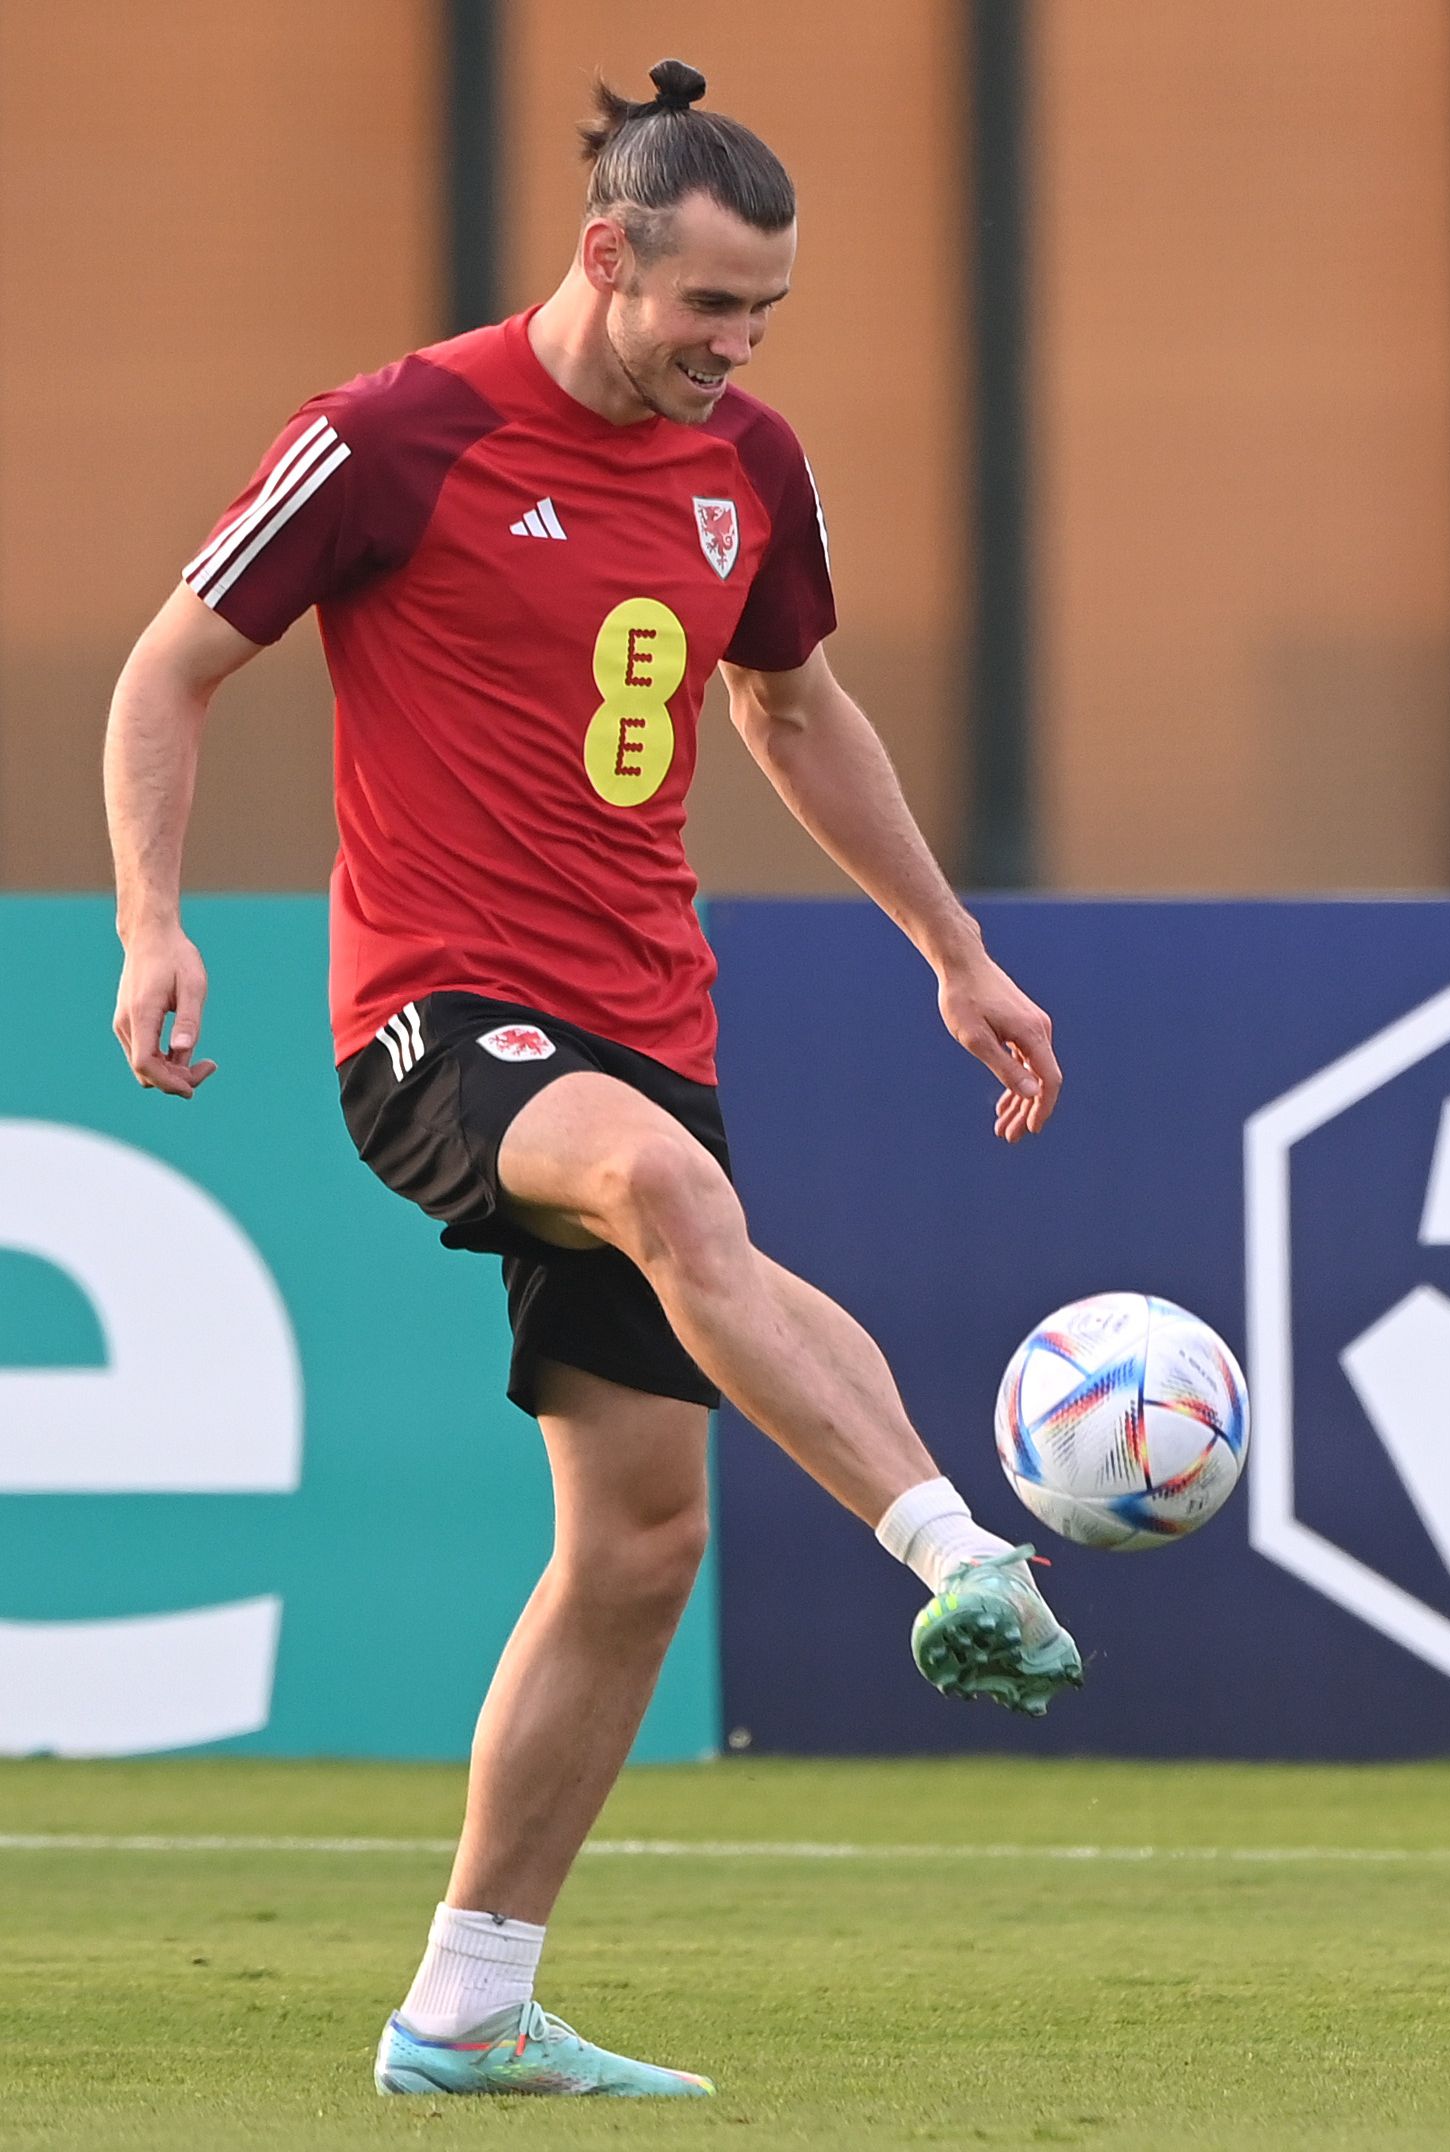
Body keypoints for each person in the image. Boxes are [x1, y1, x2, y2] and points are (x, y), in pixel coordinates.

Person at [101, 62, 1083, 2100]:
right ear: (605, 252)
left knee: (639, 1541)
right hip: (437, 1017)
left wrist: (953, 947)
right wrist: (155, 920)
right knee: (668, 1192)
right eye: (709, 306)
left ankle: (466, 2000)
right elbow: (166, 669)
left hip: (647, 1010)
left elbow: (792, 703)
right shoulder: (396, 432)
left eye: (767, 318)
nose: (735, 351)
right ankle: (953, 1550)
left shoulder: (749, 464)